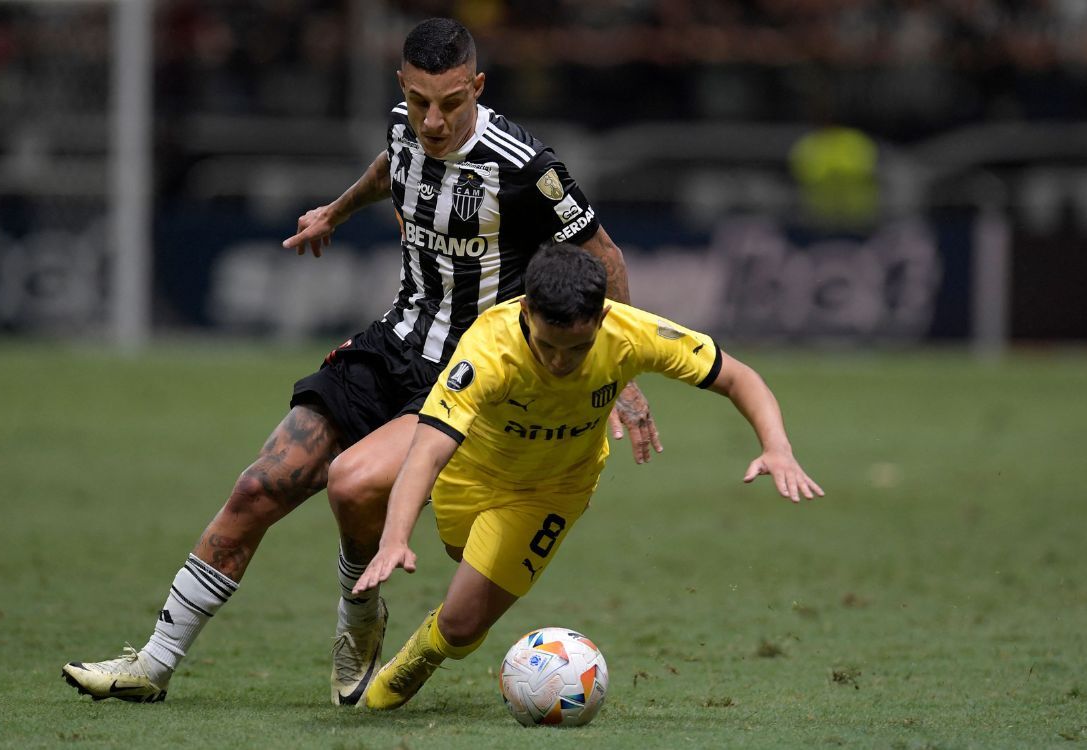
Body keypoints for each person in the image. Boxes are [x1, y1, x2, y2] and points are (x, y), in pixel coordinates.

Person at [61, 18, 658, 706]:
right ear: (403, 87)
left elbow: (603, 254)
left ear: (478, 88)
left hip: (465, 375)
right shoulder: (403, 127)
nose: (433, 120)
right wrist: (335, 213)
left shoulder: (527, 166)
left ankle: (358, 613)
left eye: (452, 103)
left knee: (350, 485)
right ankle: (154, 665)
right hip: (390, 343)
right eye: (419, 101)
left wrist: (621, 378)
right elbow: (390, 168)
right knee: (260, 486)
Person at [351, 242, 824, 710]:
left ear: (601, 318)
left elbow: (737, 377)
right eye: (548, 346)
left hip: (553, 490)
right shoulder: (488, 350)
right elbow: (427, 451)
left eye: (577, 348)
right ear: (527, 312)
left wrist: (776, 447)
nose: (561, 362)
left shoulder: (631, 332)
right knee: (460, 553)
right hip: (469, 475)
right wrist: (395, 538)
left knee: (461, 625)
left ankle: (418, 657)